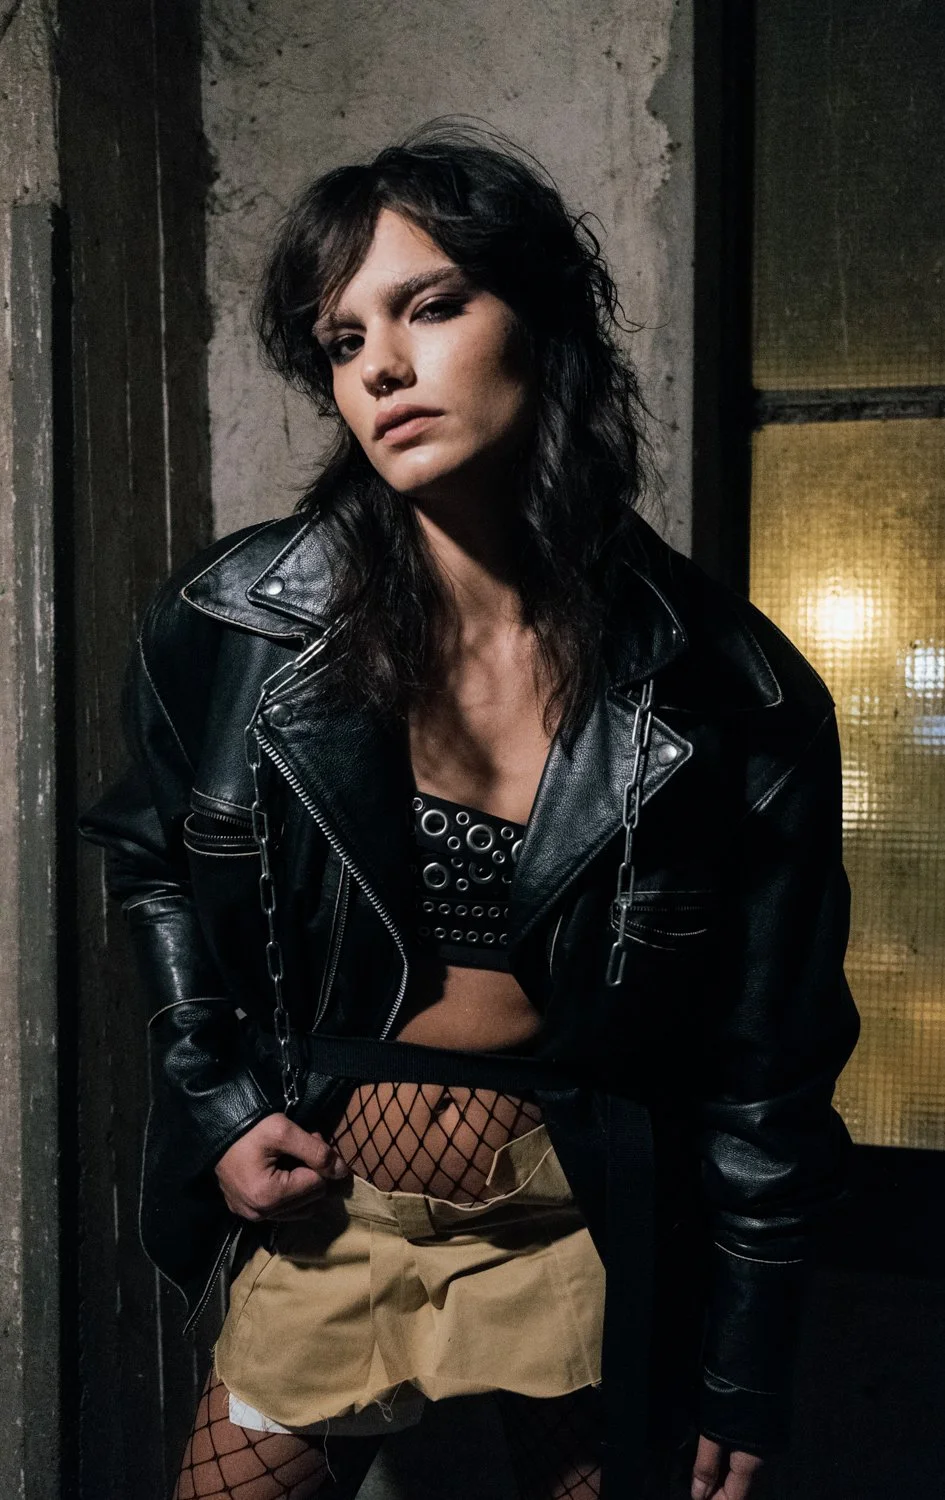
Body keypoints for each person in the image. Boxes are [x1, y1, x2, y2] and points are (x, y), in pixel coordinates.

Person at [80, 123, 860, 1500]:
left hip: (584, 1224)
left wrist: (746, 1360)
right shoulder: (239, 622)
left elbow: (770, 1066)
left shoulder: (732, 691)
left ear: (543, 319)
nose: (380, 364)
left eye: (432, 306)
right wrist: (214, 1101)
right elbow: (147, 855)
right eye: (340, 339)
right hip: (338, 1208)